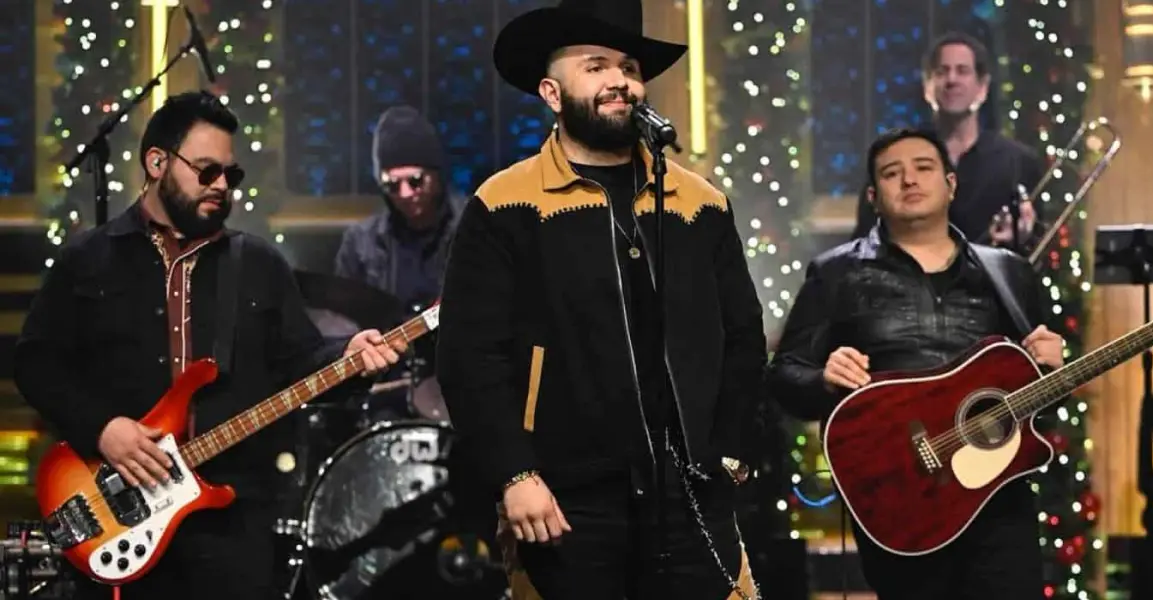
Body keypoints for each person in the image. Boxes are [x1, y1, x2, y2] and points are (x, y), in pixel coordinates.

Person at [15, 91, 407, 600]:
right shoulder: (88, 260)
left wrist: (349, 357)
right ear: (156, 162)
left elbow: (299, 366)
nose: (222, 186)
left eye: (230, 175)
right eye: (206, 171)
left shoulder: (259, 265)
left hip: (232, 524)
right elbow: (35, 362)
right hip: (118, 513)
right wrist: (103, 429)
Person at [434, 0, 766, 598]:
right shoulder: (504, 204)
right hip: (567, 497)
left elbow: (743, 333)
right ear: (552, 93)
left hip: (691, 491)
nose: (620, 80)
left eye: (630, 67)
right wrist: (515, 474)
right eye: (595, 65)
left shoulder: (699, 202)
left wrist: (733, 450)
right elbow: (469, 355)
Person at [767, 127, 1064, 599]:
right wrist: (823, 377)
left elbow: (1033, 396)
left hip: (997, 503)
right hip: (901, 503)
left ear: (951, 185)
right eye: (891, 173)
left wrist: (1051, 369)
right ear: (874, 196)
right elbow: (782, 377)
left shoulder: (1009, 271)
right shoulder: (836, 274)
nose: (909, 180)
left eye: (923, 168)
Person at [851, 31, 1044, 251]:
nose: (952, 80)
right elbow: (863, 243)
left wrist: (1023, 236)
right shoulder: (892, 156)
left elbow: (1038, 254)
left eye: (963, 71)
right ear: (927, 85)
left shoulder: (1018, 162)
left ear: (983, 86)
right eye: (942, 71)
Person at [334, 105, 467, 313]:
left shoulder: (475, 227)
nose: (405, 193)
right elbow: (343, 321)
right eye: (392, 185)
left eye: (415, 181)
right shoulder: (360, 243)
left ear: (436, 175)